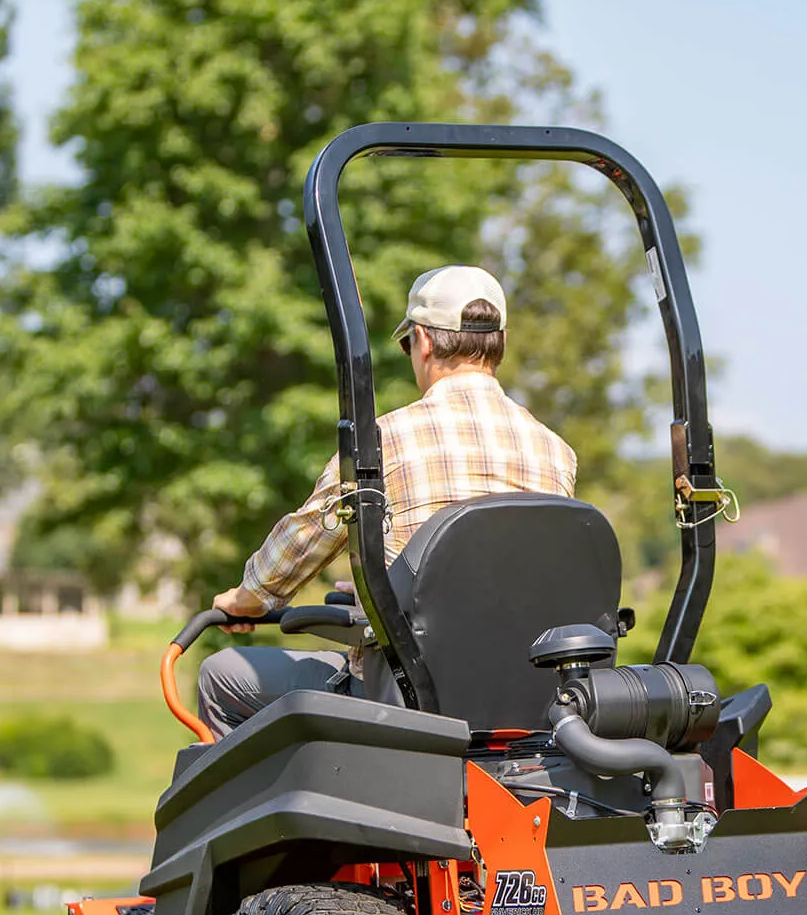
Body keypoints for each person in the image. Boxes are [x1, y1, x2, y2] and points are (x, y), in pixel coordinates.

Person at [198, 265, 578, 735]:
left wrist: (248, 597)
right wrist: (376, 588)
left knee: (221, 677)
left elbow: (303, 542)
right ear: (499, 343)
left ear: (421, 341)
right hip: (525, 701)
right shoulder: (556, 452)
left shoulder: (384, 441)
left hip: (410, 698)